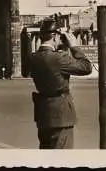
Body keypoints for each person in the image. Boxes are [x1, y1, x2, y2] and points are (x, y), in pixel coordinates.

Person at [24, 18, 92, 149]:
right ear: (54, 37)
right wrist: (73, 46)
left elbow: (25, 72)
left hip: (43, 114)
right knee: (62, 160)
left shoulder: (32, 58)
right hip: (61, 115)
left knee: (46, 159)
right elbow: (86, 67)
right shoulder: (58, 58)